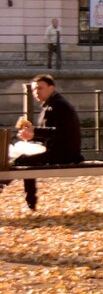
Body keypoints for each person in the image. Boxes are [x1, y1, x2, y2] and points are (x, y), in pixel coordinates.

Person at [0, 74, 84, 210]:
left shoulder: (59, 106)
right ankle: (31, 202)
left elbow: (62, 133)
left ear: (51, 88)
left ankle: (28, 201)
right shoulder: (50, 105)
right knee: (21, 157)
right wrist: (31, 136)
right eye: (34, 89)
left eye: (40, 88)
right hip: (57, 150)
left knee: (22, 160)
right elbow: (50, 133)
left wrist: (35, 131)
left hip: (65, 153)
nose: (36, 92)